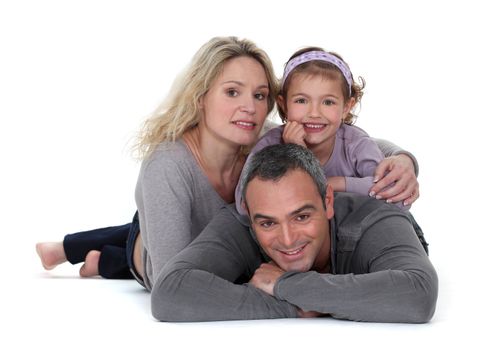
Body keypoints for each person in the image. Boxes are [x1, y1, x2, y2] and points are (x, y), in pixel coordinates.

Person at [36, 39, 422, 286]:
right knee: (137, 244)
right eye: (232, 92)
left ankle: (73, 251)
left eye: (258, 95)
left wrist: (403, 160)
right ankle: (98, 260)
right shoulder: (168, 167)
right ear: (200, 96)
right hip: (166, 251)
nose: (249, 107)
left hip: (217, 233)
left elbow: (348, 140)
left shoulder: (261, 139)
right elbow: (173, 278)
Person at [151, 144, 438, 322]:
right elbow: (169, 292)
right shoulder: (239, 220)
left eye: (301, 216)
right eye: (267, 224)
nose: (288, 240)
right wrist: (293, 307)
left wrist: (284, 285)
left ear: (327, 201)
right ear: (249, 215)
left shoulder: (376, 216)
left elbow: (418, 295)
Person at [235, 46, 428, 249]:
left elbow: (396, 197)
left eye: (328, 102)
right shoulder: (270, 144)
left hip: (369, 239)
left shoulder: (355, 143)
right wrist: (294, 156)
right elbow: (243, 204)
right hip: (314, 247)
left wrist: (334, 184)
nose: (314, 113)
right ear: (283, 104)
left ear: (346, 106)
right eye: (301, 100)